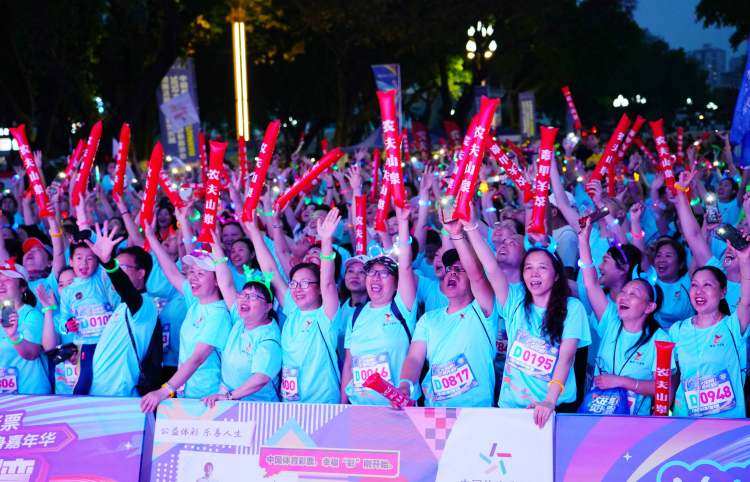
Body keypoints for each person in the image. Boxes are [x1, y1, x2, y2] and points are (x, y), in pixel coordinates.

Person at [468, 220, 591, 427]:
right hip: (510, 408)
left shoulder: (572, 308)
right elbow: (490, 267)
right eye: (528, 268)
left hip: (552, 409)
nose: (534, 274)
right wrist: (470, 227)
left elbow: (566, 358)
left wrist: (550, 400)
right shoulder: (514, 300)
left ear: (556, 276)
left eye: (542, 268)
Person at [246, 209, 340, 403]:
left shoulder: (326, 314)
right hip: (291, 403)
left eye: (305, 284)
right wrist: (253, 231)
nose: (297, 289)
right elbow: (270, 270)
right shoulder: (292, 309)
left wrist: (326, 240)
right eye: (294, 284)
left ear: (319, 289)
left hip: (323, 405)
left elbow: (328, 282)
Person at [579, 218, 672, 415]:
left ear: (649, 307)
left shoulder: (660, 339)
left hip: (634, 423)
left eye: (633, 294)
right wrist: (583, 241)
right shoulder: (611, 321)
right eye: (624, 292)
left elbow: (665, 389)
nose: (624, 297)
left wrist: (621, 382)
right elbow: (591, 284)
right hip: (596, 415)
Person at [139, 220, 232, 412]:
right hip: (187, 393)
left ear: (217, 281)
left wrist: (164, 391)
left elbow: (197, 358)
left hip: (209, 398)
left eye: (201, 274)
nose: (192, 278)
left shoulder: (219, 314)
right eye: (191, 272)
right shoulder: (195, 302)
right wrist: (150, 237)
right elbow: (172, 272)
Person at [398, 229, 497, 407]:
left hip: (476, 412)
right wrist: (405, 384)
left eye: (460, 270)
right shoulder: (428, 319)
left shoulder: (484, 311)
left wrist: (456, 234)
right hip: (435, 412)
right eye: (449, 269)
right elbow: (414, 359)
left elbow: (478, 277)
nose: (452, 273)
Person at [341, 206, 418, 405]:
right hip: (359, 409)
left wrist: (403, 223)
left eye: (383, 273)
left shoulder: (402, 308)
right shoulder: (356, 315)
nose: (375, 277)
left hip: (397, 409)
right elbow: (348, 365)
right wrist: (342, 406)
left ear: (396, 283)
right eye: (371, 272)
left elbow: (405, 265)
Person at [81, 223, 159, 397]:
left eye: (122, 267)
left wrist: (108, 263)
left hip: (119, 395)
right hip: (100, 393)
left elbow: (126, 288)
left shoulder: (145, 305)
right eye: (117, 266)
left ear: (141, 273)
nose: (118, 271)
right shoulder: (122, 307)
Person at [201, 236, 281, 405]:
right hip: (230, 400)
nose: (245, 300)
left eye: (253, 297)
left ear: (268, 306)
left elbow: (260, 378)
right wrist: (215, 245)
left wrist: (229, 396)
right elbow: (226, 284)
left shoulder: (269, 336)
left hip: (257, 406)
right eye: (243, 295)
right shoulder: (240, 318)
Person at [670, 258, 750, 418]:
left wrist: (744, 259)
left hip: (728, 424)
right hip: (684, 422)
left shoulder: (733, 325)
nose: (699, 291)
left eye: (707, 285)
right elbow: (669, 377)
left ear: (723, 292)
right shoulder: (677, 330)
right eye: (694, 285)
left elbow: (747, 302)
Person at [0, 260, 49, 394]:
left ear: (22, 287)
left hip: (30, 395)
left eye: (7, 280)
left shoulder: (32, 315)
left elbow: (32, 353)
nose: (0, 284)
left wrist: (14, 336)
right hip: (5, 398)